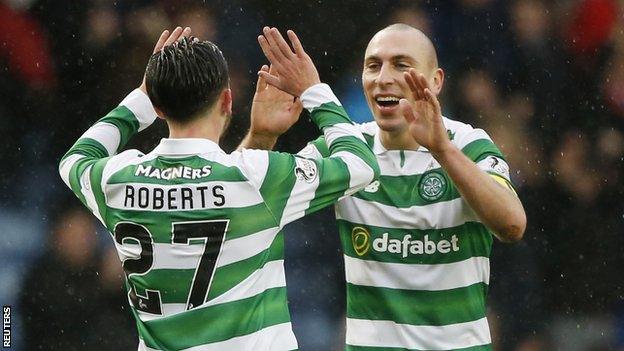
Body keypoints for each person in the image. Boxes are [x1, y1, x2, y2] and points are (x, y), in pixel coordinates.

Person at [58, 26, 379, 350]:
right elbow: (361, 164)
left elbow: (74, 159)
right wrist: (313, 90)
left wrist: (141, 97)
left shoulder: (118, 179)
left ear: (158, 108)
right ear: (227, 100)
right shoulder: (256, 177)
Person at [242, 24, 526, 350]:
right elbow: (241, 207)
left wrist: (443, 152)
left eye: (401, 65)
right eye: (373, 66)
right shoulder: (347, 150)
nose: (383, 78)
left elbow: (512, 225)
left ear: (436, 81)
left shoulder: (468, 144)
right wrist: (261, 136)